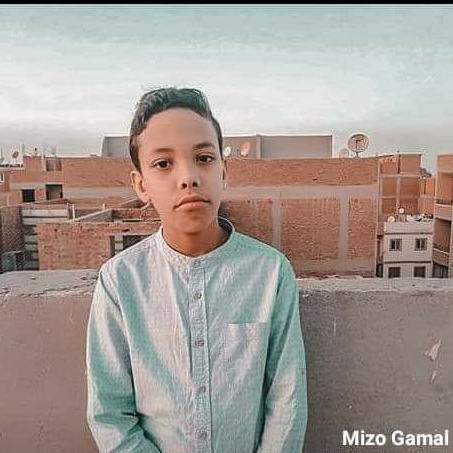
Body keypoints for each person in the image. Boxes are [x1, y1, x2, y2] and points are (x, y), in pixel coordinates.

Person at [86, 87, 308, 453]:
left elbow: (287, 400)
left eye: (204, 158)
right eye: (163, 164)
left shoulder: (270, 274)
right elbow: (109, 413)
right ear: (141, 185)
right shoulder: (119, 281)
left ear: (224, 172)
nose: (188, 177)